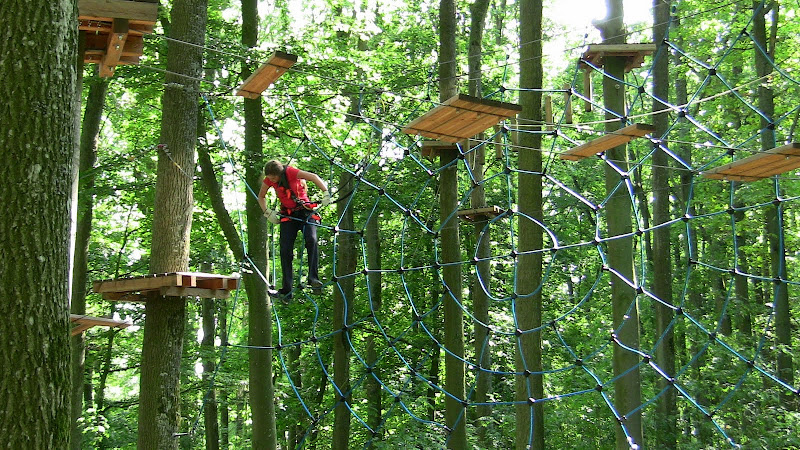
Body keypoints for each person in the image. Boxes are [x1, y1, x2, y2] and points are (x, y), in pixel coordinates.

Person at [258, 159, 331, 300]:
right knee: (285, 250)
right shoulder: (269, 180)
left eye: (273, 177)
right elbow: (261, 196)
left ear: (279, 173)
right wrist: (267, 212)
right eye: (269, 177)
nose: (271, 180)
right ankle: (286, 290)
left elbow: (314, 177)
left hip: (305, 212)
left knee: (312, 239)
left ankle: (313, 278)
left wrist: (325, 193)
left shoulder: (291, 172)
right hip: (288, 215)